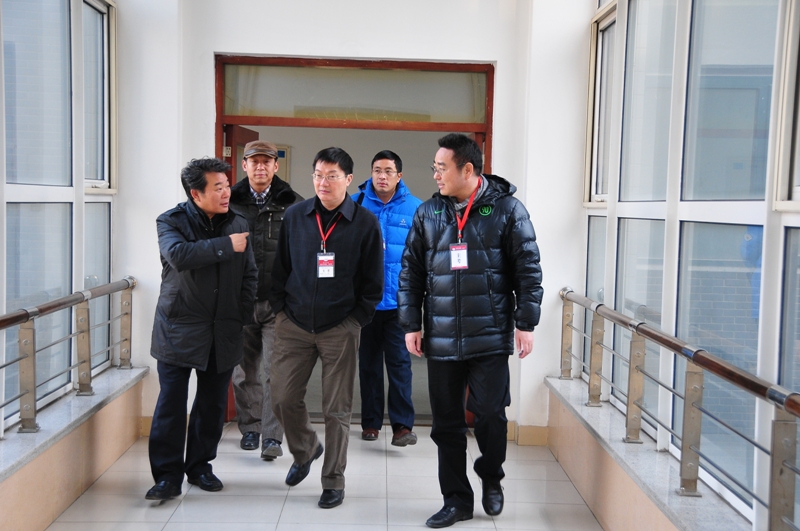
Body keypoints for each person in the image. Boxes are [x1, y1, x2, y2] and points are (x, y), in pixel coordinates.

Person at [398, 134, 543, 528]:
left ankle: (491, 475)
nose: (435, 175)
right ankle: (456, 500)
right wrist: (412, 323)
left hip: (490, 334)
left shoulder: (508, 210)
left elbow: (528, 270)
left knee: (491, 415)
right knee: (446, 425)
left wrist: (525, 323)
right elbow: (410, 273)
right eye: (434, 168)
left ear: (467, 169)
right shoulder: (428, 213)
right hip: (441, 336)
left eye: (441, 168)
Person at [269, 147, 384, 509]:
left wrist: (355, 320)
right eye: (318, 175)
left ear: (348, 180)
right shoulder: (296, 215)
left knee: (337, 409)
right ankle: (305, 449)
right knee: (282, 397)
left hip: (340, 327)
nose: (323, 182)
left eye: (332, 176)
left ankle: (333, 480)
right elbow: (280, 267)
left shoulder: (365, 222)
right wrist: (280, 311)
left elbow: (373, 282)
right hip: (294, 323)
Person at [146, 157, 257, 500]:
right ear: (196, 194)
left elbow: (249, 273)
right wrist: (226, 245)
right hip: (178, 327)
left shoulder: (238, 221)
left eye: (227, 185)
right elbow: (179, 255)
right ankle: (167, 477)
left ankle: (199, 467)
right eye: (218, 187)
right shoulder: (171, 221)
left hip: (223, 329)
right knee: (171, 404)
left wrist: (241, 315)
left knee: (211, 406)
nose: (226, 192)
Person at [229, 140, 303, 460]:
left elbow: (303, 253)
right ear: (244, 165)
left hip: (277, 304)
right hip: (240, 300)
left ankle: (272, 436)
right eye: (254, 161)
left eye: (266, 161)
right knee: (243, 371)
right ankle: (251, 427)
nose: (260, 166)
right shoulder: (228, 202)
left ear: (276, 166)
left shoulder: (294, 203)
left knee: (277, 372)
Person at [353, 150, 422, 446]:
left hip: (398, 303)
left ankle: (402, 426)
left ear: (399, 176)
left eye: (388, 171)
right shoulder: (355, 204)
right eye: (377, 170)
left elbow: (422, 257)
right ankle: (370, 423)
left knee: (399, 365)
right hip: (365, 303)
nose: (382, 176)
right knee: (368, 365)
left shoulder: (415, 208)